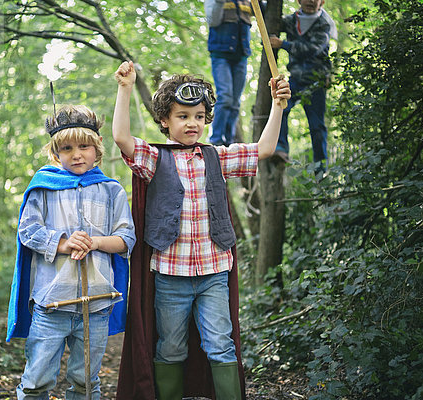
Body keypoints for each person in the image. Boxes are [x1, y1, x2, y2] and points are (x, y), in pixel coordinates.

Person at [112, 61, 290, 400]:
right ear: (164, 121)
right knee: (171, 348)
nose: (192, 123)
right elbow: (121, 137)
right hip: (169, 276)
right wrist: (125, 88)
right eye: (182, 116)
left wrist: (278, 107)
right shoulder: (154, 158)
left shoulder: (216, 158)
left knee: (221, 345)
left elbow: (264, 149)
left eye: (198, 115)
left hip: (213, 274)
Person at [6, 104, 136, 400]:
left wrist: (95, 242)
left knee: (85, 383)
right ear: (56, 153)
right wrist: (63, 243)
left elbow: (127, 238)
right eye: (67, 148)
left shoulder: (111, 190)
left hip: (97, 306)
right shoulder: (44, 188)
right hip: (52, 304)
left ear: (97, 149)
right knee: (37, 380)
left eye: (84, 146)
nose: (77, 154)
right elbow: (28, 232)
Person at [269, 0, 337, 180]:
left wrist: (283, 44)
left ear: (322, 1)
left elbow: (313, 49)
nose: (310, 1)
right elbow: (267, 13)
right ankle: (281, 149)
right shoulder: (291, 20)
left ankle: (321, 168)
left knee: (317, 125)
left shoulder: (324, 23)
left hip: (316, 82)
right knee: (281, 107)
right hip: (296, 79)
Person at [205, 0, 254, 146]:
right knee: (225, 96)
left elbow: (265, 14)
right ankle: (216, 139)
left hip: (241, 55)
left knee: (235, 102)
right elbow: (212, 20)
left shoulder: (249, 2)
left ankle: (229, 140)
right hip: (221, 55)